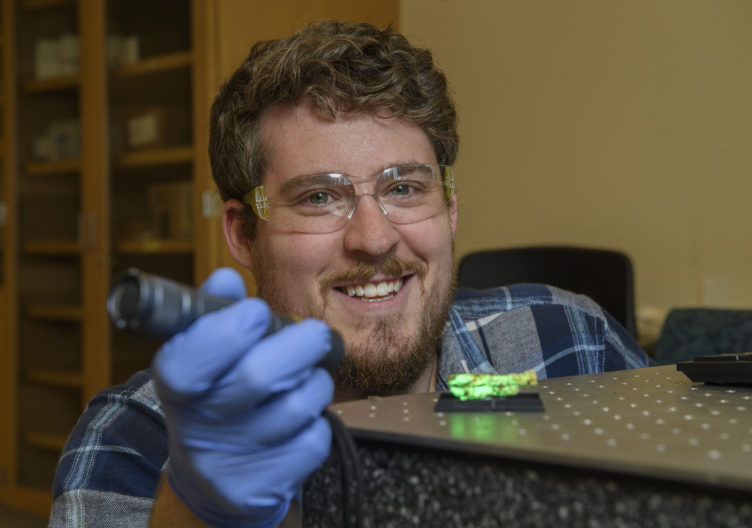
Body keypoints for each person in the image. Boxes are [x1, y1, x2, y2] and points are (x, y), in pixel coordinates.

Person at [49, 21, 651, 528]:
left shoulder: (570, 340)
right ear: (241, 232)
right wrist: (194, 510)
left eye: (405, 188)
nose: (374, 238)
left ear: (451, 208)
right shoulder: (134, 439)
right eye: (318, 198)